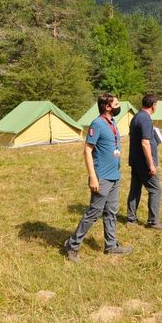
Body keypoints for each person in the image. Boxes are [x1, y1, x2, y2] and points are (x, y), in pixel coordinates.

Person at [63, 93, 133, 262]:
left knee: (111, 212)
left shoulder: (112, 122)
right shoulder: (97, 124)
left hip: (114, 176)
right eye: (116, 104)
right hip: (102, 177)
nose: (119, 106)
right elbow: (87, 150)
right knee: (93, 213)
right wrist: (93, 177)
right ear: (107, 107)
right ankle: (72, 246)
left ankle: (111, 246)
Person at [126, 93, 162, 230]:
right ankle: (153, 221)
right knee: (155, 190)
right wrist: (151, 164)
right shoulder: (145, 119)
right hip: (144, 163)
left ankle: (131, 219)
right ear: (153, 105)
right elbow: (144, 143)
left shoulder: (136, 117)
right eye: (157, 105)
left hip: (135, 161)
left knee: (135, 190)